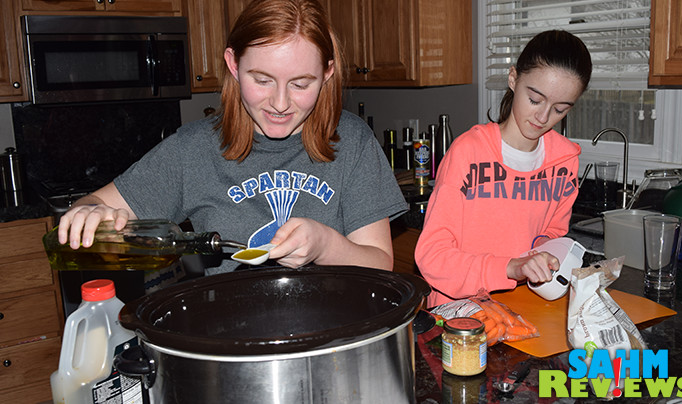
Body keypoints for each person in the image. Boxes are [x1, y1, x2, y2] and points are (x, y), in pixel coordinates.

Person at [57, 0, 407, 274]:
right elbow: (95, 205)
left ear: (327, 73)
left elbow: (379, 263)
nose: (281, 103)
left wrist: (326, 245)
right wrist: (87, 213)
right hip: (231, 344)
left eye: (301, 84)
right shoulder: (193, 149)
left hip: (335, 338)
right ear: (233, 65)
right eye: (262, 80)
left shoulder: (353, 140)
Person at [415, 30, 592, 307]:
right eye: (535, 100)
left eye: (560, 109)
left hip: (525, 311)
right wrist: (510, 268)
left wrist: (546, 256)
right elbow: (432, 257)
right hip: (459, 314)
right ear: (513, 79)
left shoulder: (564, 162)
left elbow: (551, 236)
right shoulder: (468, 153)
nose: (543, 117)